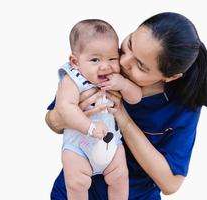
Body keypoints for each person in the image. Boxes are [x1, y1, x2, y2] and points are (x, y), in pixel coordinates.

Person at [46, 12, 207, 200]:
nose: (122, 62)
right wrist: (73, 112)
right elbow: (53, 122)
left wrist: (123, 118)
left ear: (170, 77)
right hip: (75, 189)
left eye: (141, 66)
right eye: (129, 45)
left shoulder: (183, 107)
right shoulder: (104, 61)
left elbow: (170, 184)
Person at [54, 19, 142, 200]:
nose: (105, 66)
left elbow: (136, 98)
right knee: (76, 184)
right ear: (75, 61)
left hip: (112, 145)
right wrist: (90, 128)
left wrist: (124, 84)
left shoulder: (115, 78)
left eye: (112, 59)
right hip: (79, 147)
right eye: (95, 60)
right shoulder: (72, 80)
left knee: (120, 177)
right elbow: (65, 107)